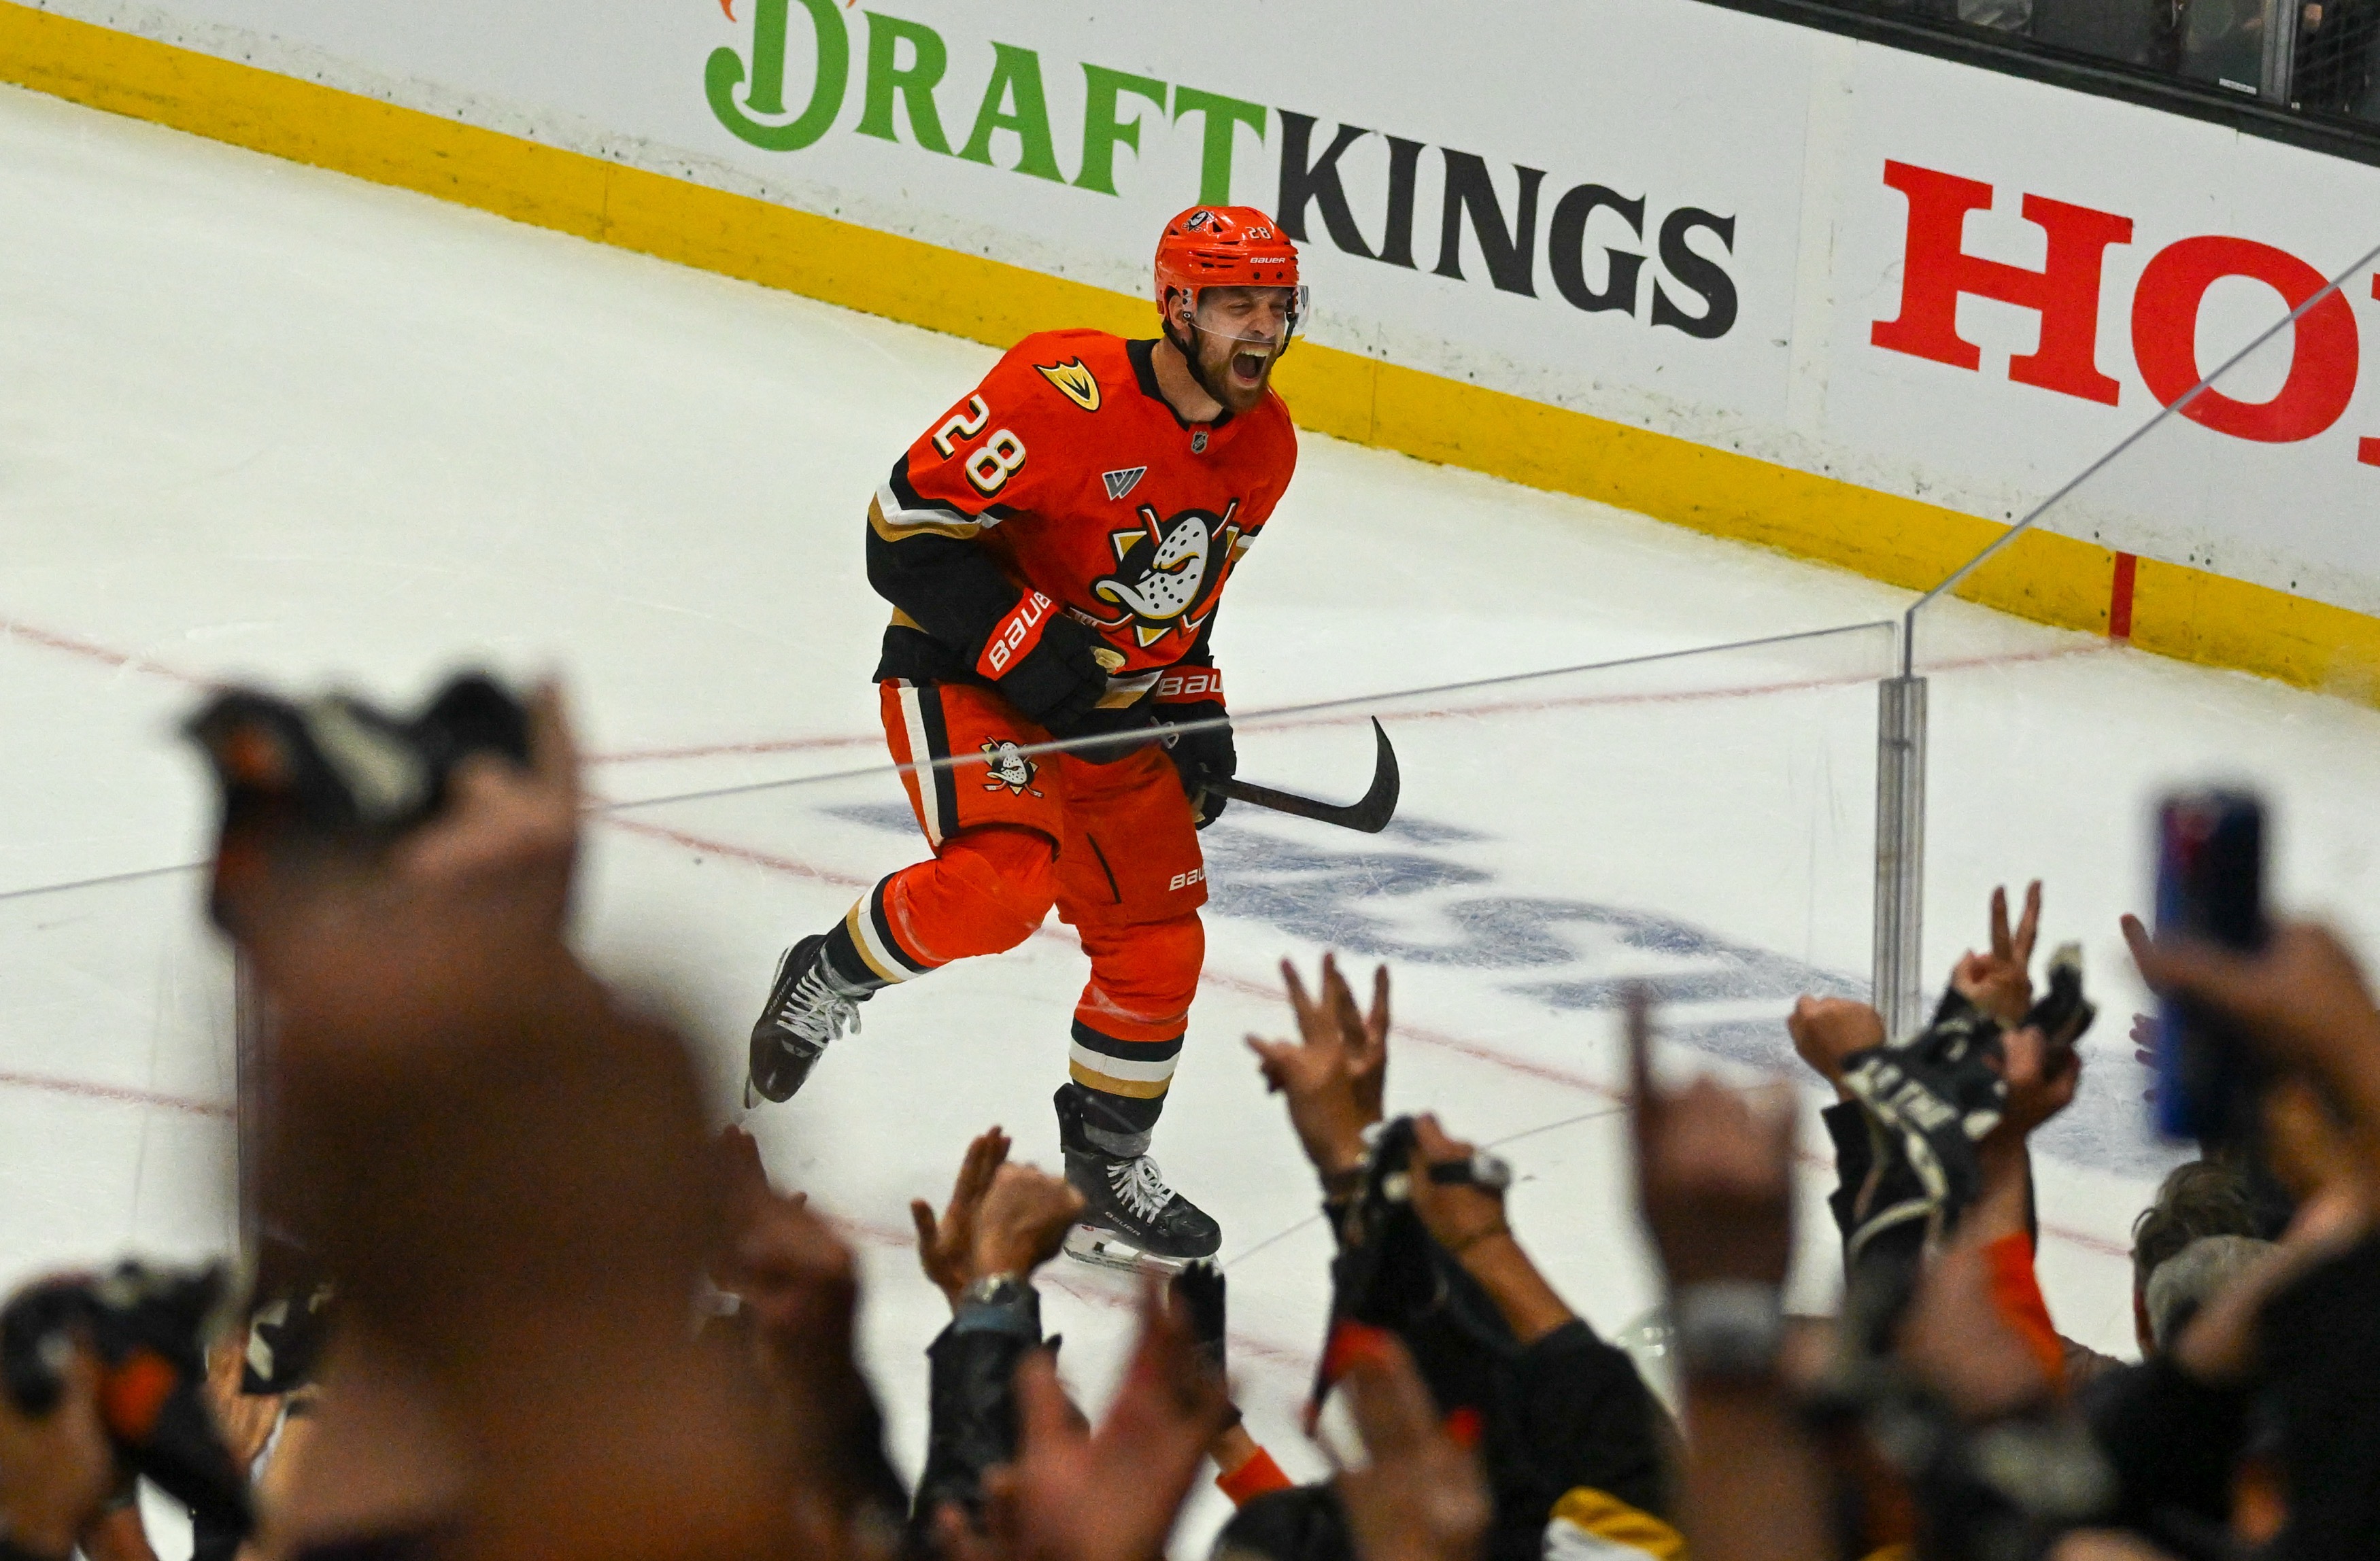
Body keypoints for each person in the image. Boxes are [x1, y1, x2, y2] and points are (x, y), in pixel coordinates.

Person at [743, 205, 1308, 1273]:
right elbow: (900, 535)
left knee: (1160, 938)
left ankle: (1103, 1175)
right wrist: (1026, 645)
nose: (1263, 330)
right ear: (1177, 305)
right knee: (1003, 887)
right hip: (967, 679)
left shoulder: (1266, 446)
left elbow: (1186, 601)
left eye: (1277, 306)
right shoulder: (1061, 392)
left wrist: (1193, 702)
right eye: (1238, 303)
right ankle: (832, 970)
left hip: (1096, 711)